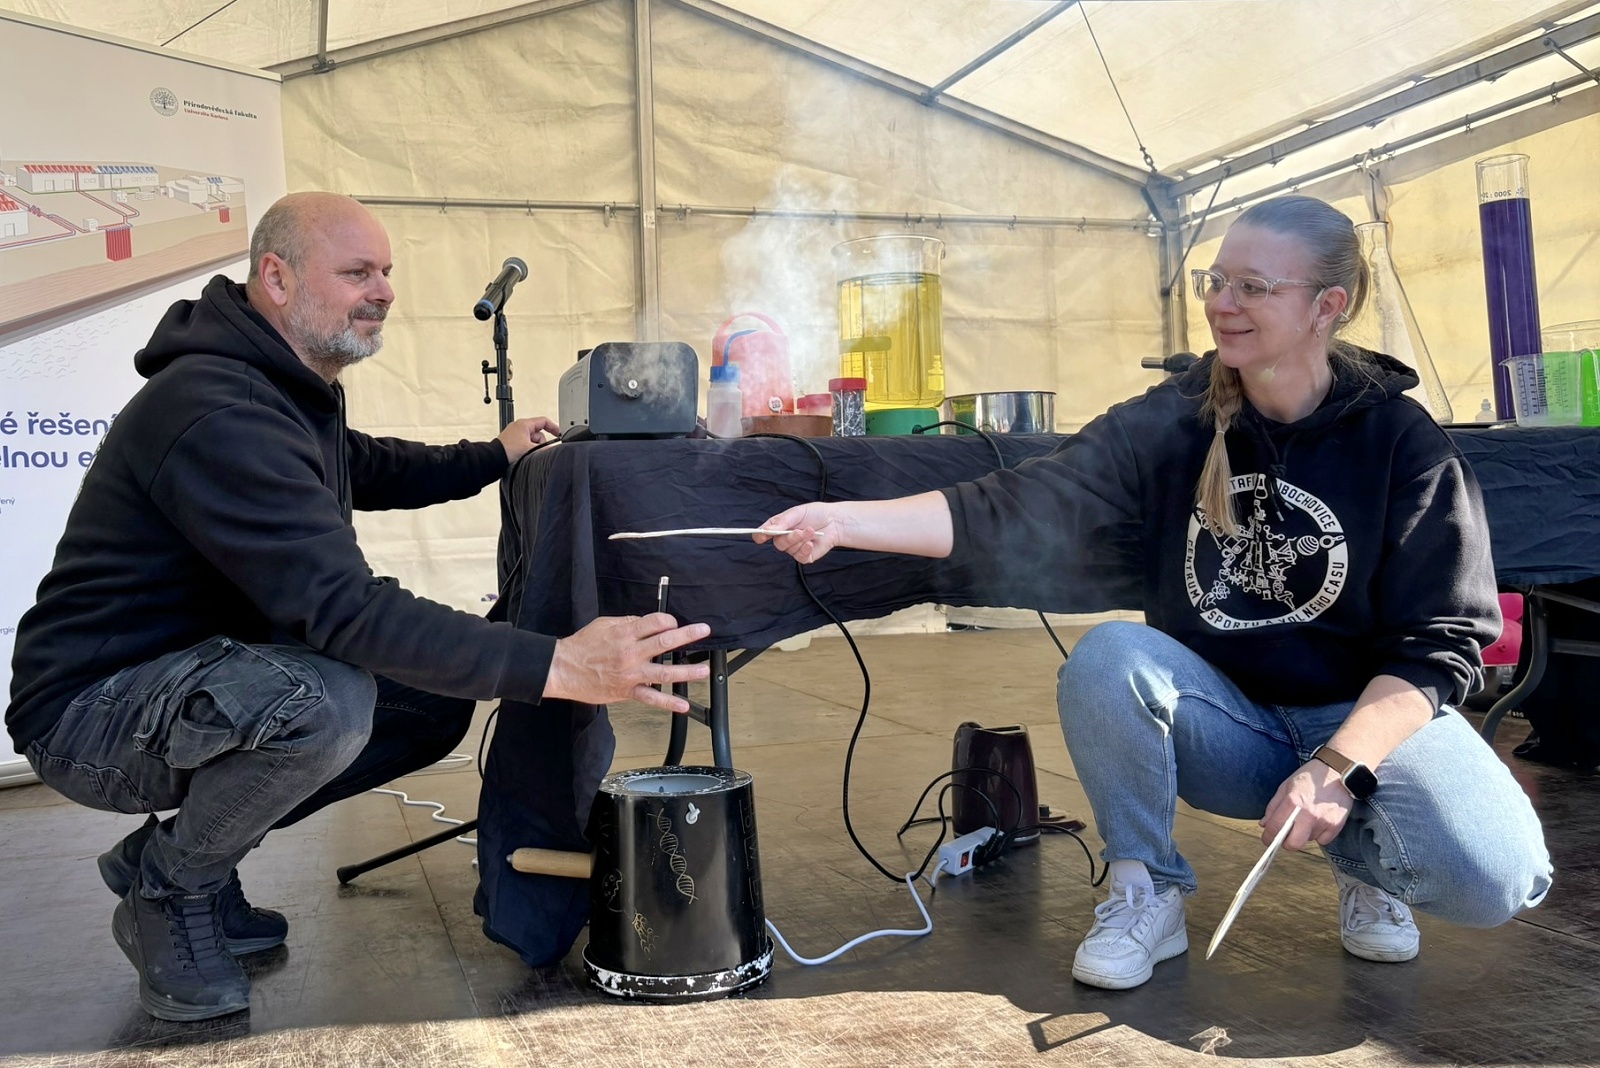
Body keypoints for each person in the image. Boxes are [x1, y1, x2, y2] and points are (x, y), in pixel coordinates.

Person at [757, 195, 1552, 990]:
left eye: (1253, 287)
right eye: (1216, 280)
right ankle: (1148, 891)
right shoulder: (1170, 420)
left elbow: (1436, 649)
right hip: (1230, 728)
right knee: (1109, 658)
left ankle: (1364, 860)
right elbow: (1014, 507)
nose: (1222, 303)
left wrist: (1339, 768)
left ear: (1327, 306)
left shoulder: (1404, 444)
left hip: (1364, 723)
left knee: (1497, 879)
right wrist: (845, 519)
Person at [5, 192, 710, 1021]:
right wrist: (559, 664)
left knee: (429, 701)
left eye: (386, 272)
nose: (383, 291)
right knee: (327, 702)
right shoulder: (216, 408)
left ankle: (185, 853)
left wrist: (493, 453)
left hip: (194, 677)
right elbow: (346, 610)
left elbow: (367, 465)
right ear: (277, 278)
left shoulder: (284, 388)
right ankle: (170, 888)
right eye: (356, 273)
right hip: (92, 712)